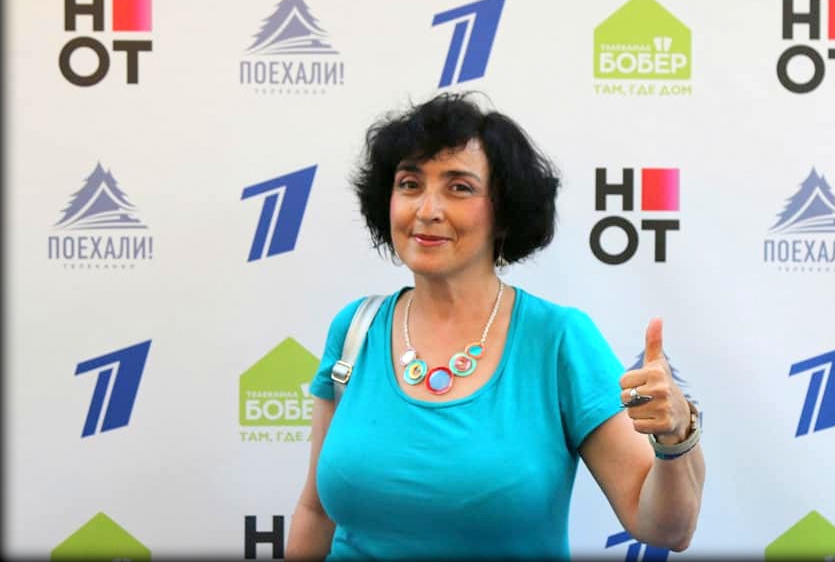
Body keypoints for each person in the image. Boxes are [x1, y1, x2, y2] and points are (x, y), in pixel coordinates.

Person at [286, 92, 705, 560]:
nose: (427, 210)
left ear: (504, 212)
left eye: (458, 188)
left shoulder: (558, 340)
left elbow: (666, 528)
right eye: (409, 184)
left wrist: (676, 436)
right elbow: (316, 511)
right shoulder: (355, 329)